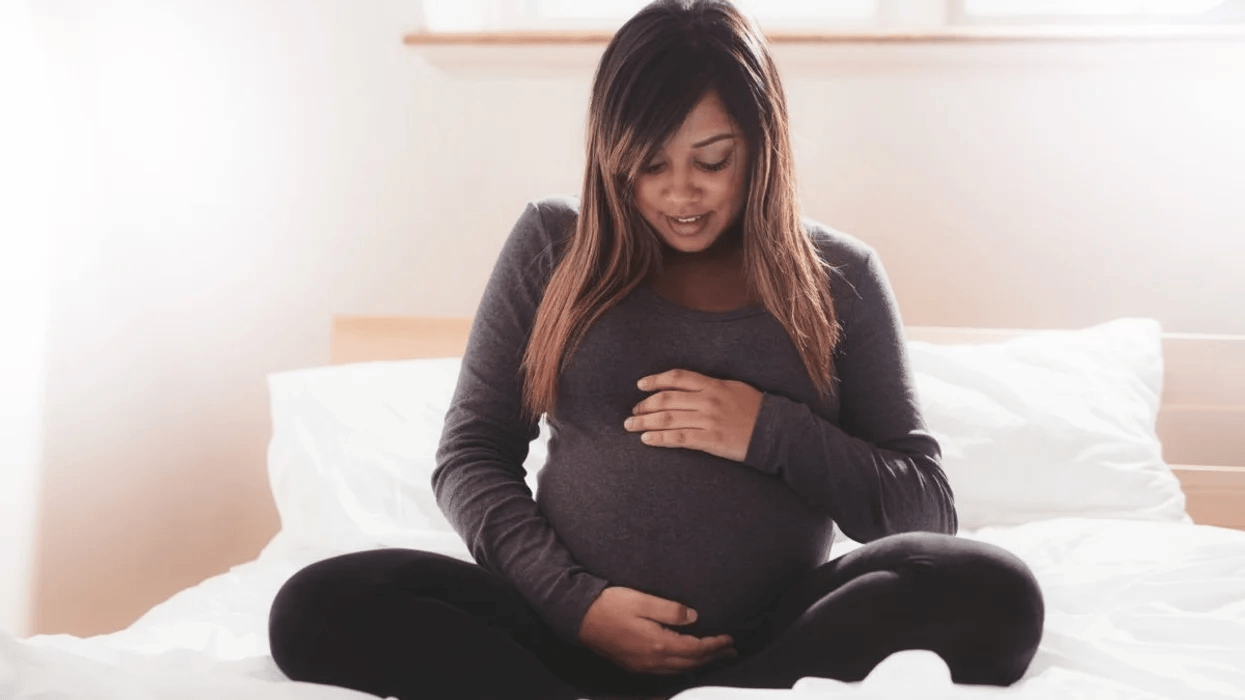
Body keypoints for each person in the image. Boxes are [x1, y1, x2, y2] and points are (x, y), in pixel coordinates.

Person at [266, 1, 1045, 699]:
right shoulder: (551, 245)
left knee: (990, 588)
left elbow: (923, 506)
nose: (680, 193)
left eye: (712, 160)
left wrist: (767, 431)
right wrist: (575, 604)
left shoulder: (838, 276)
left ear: (761, 147)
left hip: (771, 640)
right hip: (560, 635)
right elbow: (470, 455)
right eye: (648, 163)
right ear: (611, 153)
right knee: (317, 606)